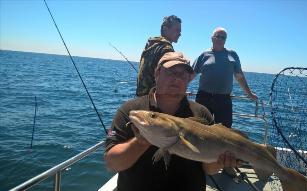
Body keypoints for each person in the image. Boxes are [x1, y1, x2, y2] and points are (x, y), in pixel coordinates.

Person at [105, 52, 239, 191]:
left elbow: (210, 169)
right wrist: (141, 142)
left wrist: (221, 161)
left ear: (189, 79)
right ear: (157, 73)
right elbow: (112, 164)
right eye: (171, 72)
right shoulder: (131, 110)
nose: (177, 79)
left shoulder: (202, 114)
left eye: (183, 75)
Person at [191, 27, 258, 128]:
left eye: (223, 37)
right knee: (199, 128)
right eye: (218, 36)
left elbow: (239, 76)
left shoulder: (232, 55)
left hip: (223, 99)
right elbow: (191, 74)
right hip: (204, 98)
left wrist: (249, 93)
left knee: (225, 130)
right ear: (212, 38)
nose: (220, 39)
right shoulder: (204, 55)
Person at [136, 15, 182, 97]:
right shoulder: (166, 49)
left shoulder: (151, 44)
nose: (180, 34)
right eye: (177, 30)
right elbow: (169, 79)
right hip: (154, 99)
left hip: (141, 96)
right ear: (165, 29)